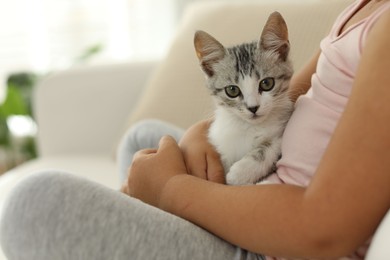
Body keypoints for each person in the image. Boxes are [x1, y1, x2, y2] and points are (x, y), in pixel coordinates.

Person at [1, 0, 390, 259]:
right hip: (259, 186)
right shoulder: (362, 8)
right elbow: (296, 91)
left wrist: (171, 190)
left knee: (35, 201)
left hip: (273, 241)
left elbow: (324, 229)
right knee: (144, 137)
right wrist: (198, 135)